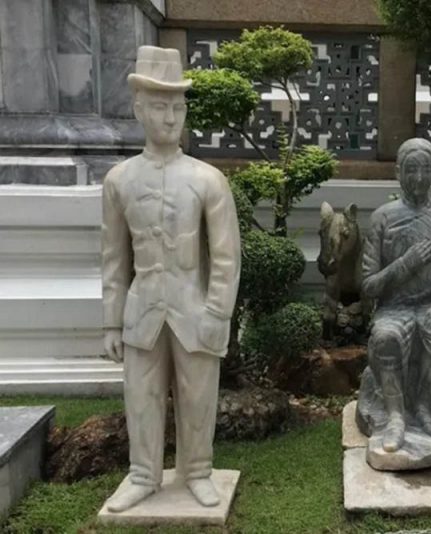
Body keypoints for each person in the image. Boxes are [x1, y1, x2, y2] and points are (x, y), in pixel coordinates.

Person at [101, 46, 240, 511]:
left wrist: (218, 311)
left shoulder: (207, 179)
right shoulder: (119, 180)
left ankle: (197, 470)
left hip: (193, 308)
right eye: (160, 107)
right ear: (139, 109)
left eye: (178, 107)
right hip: (142, 309)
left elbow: (226, 256)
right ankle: (143, 473)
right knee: (141, 395)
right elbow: (113, 257)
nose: (170, 117)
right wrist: (111, 321)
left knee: (198, 394)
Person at [355, 138, 431, 456]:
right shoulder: (383, 218)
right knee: (386, 337)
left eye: (426, 169)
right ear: (398, 172)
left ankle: (426, 406)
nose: (419, 178)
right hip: (395, 306)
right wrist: (406, 263)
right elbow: (369, 285)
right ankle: (395, 416)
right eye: (411, 169)